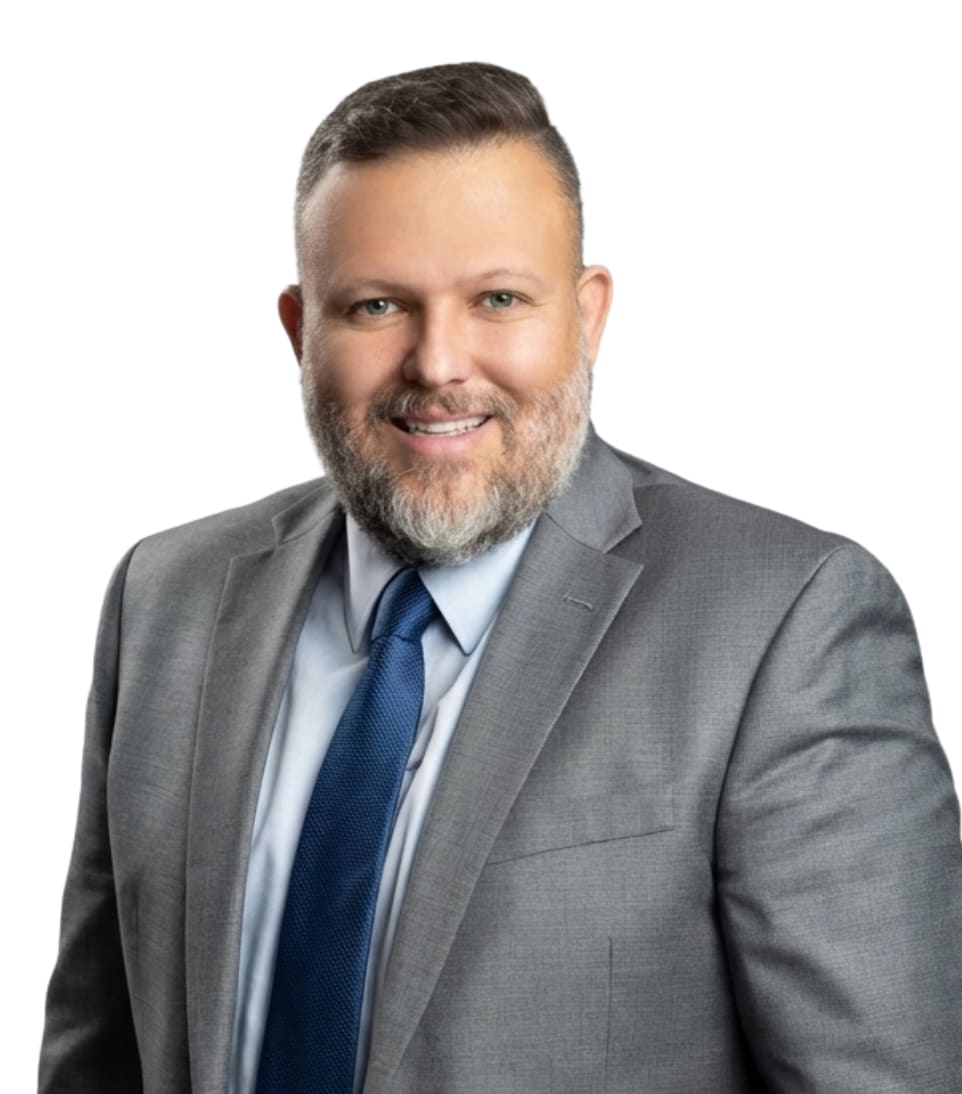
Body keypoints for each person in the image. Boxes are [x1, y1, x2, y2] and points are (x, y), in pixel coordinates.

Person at [40, 61, 962, 1094]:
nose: (437, 362)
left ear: (587, 315)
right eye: (377, 305)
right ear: (301, 330)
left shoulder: (785, 623)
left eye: (497, 298)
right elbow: (96, 1052)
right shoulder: (165, 600)